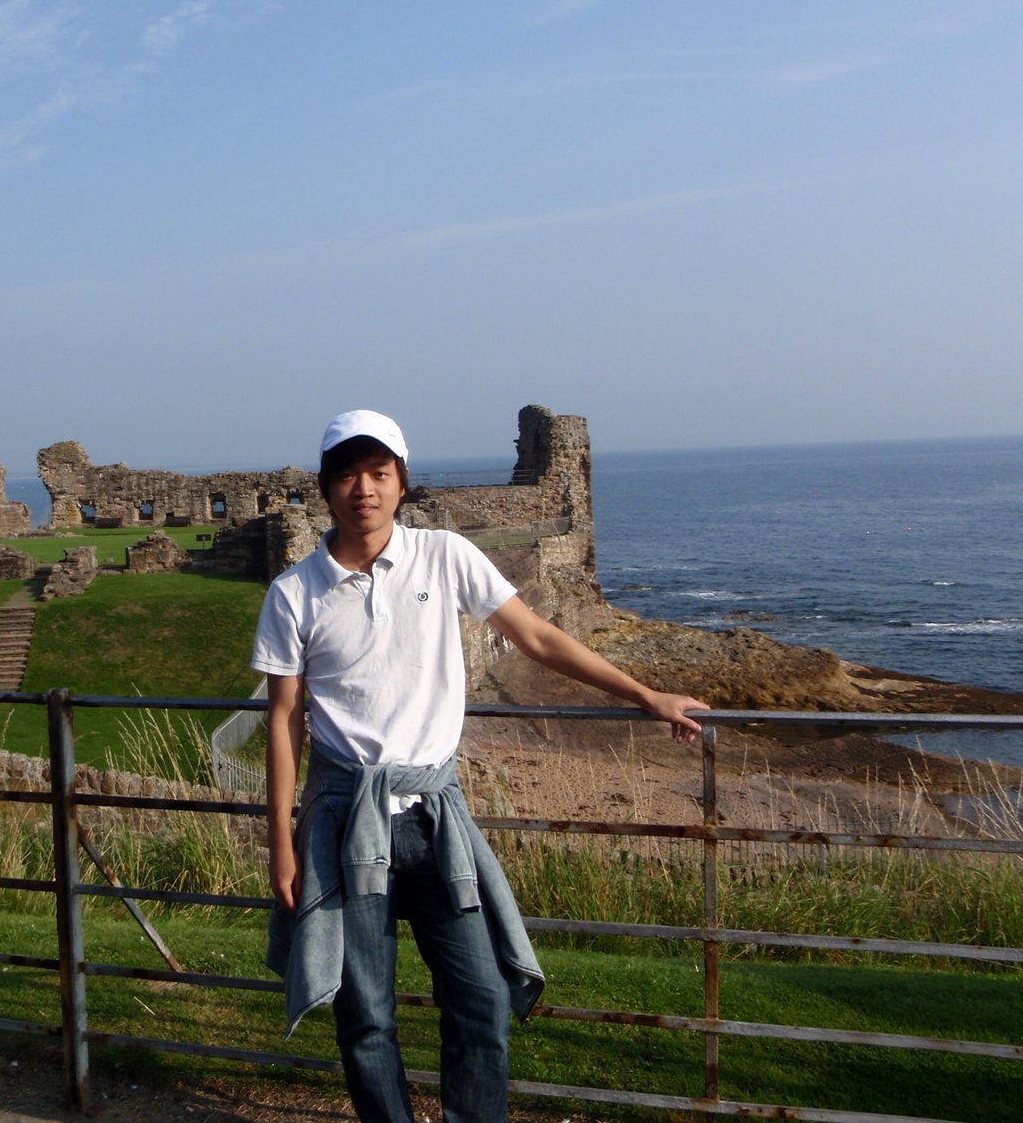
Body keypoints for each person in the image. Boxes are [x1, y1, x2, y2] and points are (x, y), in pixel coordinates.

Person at [251, 409, 707, 1123]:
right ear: (326, 487)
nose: (364, 489)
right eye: (348, 475)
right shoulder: (294, 592)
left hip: (435, 816)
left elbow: (537, 637)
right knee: (365, 1015)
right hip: (344, 819)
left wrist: (645, 694)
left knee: (481, 996)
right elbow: (284, 720)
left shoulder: (444, 556)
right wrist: (280, 842)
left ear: (402, 481)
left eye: (378, 473)